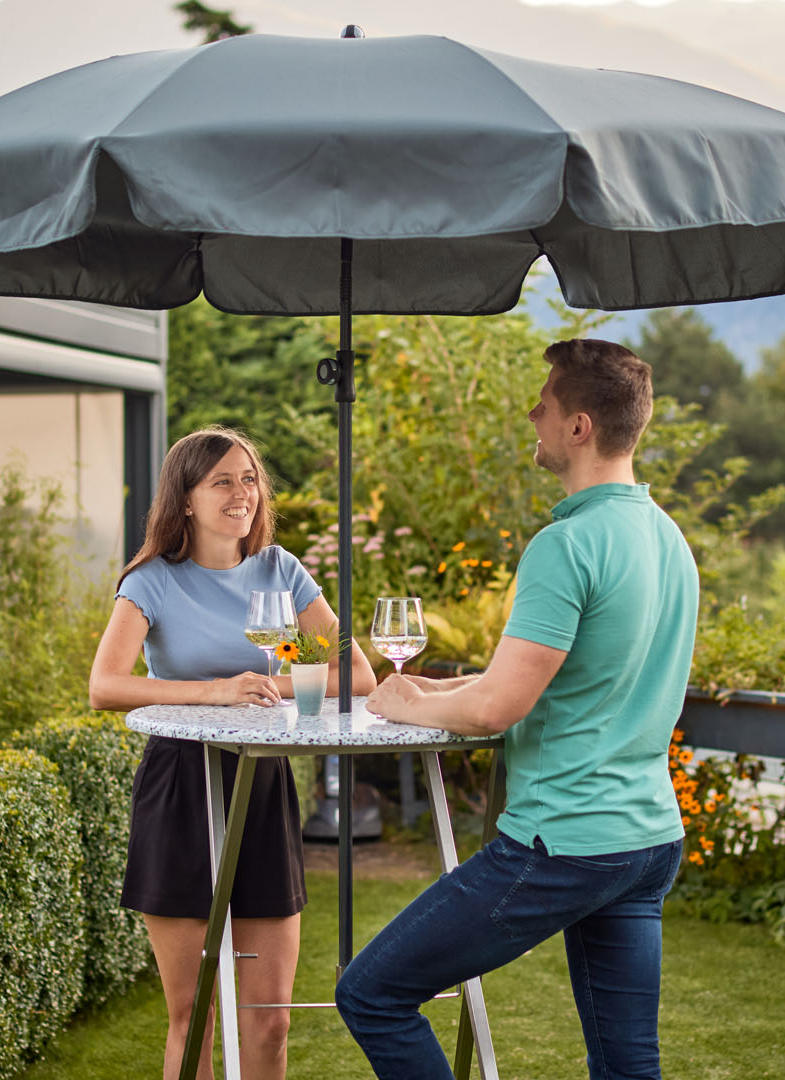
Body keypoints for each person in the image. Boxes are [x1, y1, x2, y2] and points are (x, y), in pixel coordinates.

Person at [338, 339, 697, 1080]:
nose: (531, 410)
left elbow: (500, 707)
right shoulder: (666, 540)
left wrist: (402, 708)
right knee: (630, 1065)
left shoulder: (566, 545)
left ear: (580, 427)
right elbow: (561, 680)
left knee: (371, 992)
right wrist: (429, 690)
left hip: (562, 843)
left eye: (546, 400)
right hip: (646, 841)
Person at [89, 425, 376, 1080]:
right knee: (193, 1016)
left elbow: (358, 677)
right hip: (180, 787)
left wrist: (270, 687)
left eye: (249, 479)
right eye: (222, 480)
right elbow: (104, 685)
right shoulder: (152, 580)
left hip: (262, 781)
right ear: (185, 498)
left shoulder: (282, 569)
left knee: (270, 1015)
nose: (241, 493)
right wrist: (216, 692)